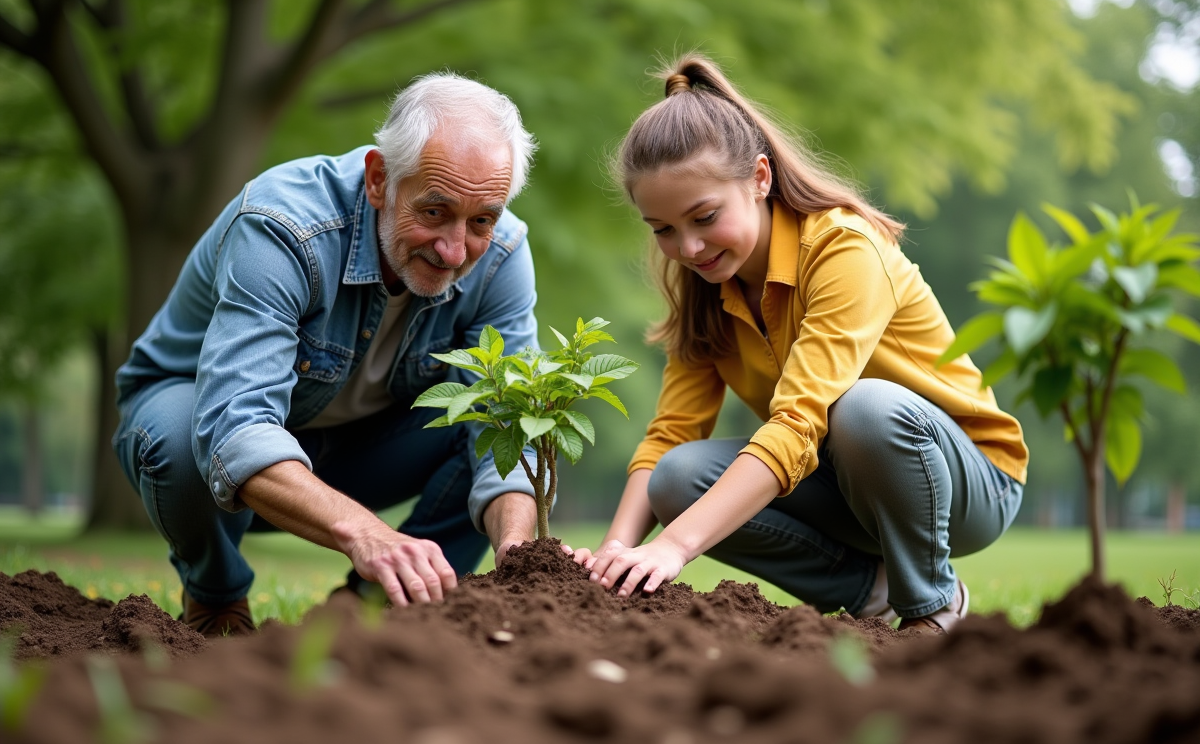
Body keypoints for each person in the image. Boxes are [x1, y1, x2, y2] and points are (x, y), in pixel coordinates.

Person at [570, 55, 1028, 634]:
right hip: (841, 484)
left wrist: (674, 548)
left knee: (863, 408)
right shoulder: (706, 282)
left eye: (704, 216)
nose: (687, 247)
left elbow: (799, 421)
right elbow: (672, 435)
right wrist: (617, 552)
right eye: (662, 229)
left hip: (964, 481)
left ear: (760, 179)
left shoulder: (842, 248)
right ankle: (874, 591)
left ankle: (934, 605)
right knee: (675, 478)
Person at [113, 73, 543, 637]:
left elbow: (510, 422)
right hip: (204, 440)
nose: (456, 249)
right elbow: (234, 431)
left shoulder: (503, 252)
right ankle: (216, 600)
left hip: (364, 448)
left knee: (495, 425)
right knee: (176, 438)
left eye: (482, 219)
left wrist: (518, 550)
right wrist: (368, 535)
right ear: (379, 179)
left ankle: (370, 612)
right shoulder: (283, 227)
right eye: (434, 211)